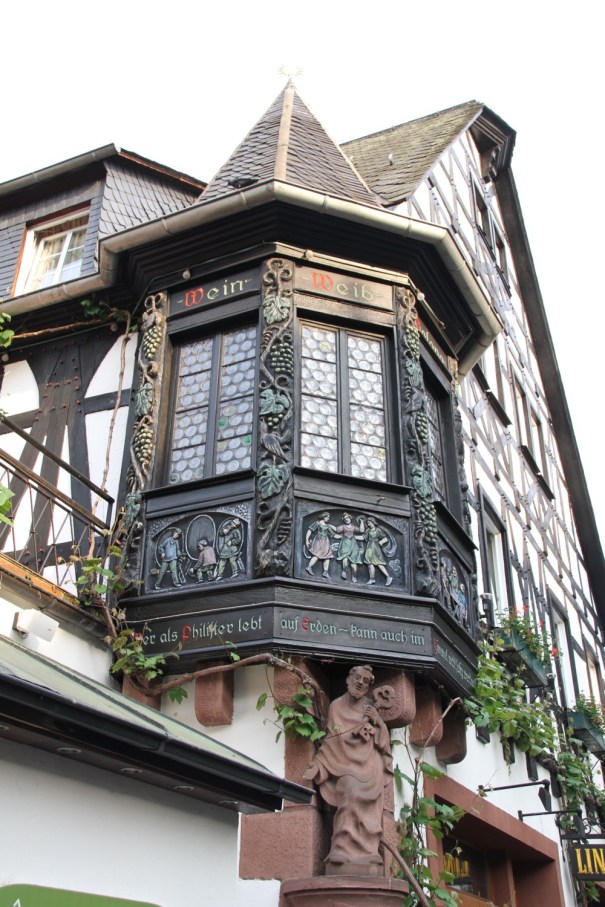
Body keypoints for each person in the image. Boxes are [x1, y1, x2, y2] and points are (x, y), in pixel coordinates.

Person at [304, 665, 393, 873]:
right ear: (348, 680)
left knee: (368, 809)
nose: (360, 682)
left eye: (365, 680)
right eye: (357, 678)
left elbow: (383, 744)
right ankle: (342, 851)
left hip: (370, 769)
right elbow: (333, 741)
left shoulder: (372, 707)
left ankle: (368, 853)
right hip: (345, 766)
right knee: (349, 790)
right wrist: (319, 765)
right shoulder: (336, 706)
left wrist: (378, 721)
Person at [305, 512, 337, 579]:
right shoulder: (317, 523)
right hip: (319, 540)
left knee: (328, 556)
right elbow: (309, 531)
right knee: (317, 554)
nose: (328, 518)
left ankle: (325, 572)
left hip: (326, 542)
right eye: (327, 517)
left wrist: (343, 536)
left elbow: (334, 535)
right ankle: (309, 567)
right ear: (323, 516)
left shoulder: (327, 526)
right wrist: (307, 540)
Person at [334, 512, 364, 583]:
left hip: (353, 545)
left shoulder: (353, 527)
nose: (346, 519)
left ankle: (354, 576)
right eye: (345, 519)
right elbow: (336, 529)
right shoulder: (343, 526)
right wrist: (328, 525)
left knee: (354, 563)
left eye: (347, 518)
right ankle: (344, 571)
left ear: (350, 518)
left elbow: (361, 530)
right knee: (345, 558)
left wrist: (362, 522)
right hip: (345, 544)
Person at [363, 518, 392, 586]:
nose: (368, 524)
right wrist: (354, 537)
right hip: (369, 548)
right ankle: (372, 579)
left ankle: (388, 577)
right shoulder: (368, 530)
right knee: (370, 563)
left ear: (373, 522)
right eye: (367, 523)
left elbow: (385, 538)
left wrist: (381, 542)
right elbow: (364, 538)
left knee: (379, 563)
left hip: (376, 548)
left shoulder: (378, 530)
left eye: (369, 522)